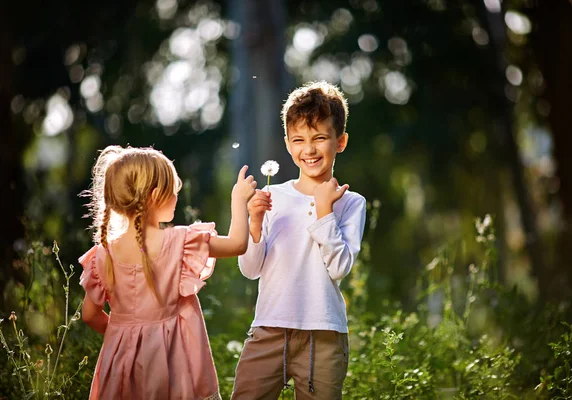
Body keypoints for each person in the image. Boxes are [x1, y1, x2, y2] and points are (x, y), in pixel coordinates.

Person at [78, 145, 256, 400]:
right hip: (176, 365)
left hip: (121, 368)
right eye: (172, 191)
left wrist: (124, 333)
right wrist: (239, 200)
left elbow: (89, 315)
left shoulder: (103, 255)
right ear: (154, 196)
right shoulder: (181, 242)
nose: (176, 196)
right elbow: (238, 244)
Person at [231, 81, 367, 399]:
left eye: (320, 138)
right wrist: (254, 223)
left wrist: (324, 212)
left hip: (324, 334)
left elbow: (339, 268)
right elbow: (250, 270)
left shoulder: (351, 202)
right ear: (288, 144)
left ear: (341, 141)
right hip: (269, 327)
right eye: (299, 140)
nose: (309, 149)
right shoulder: (270, 197)